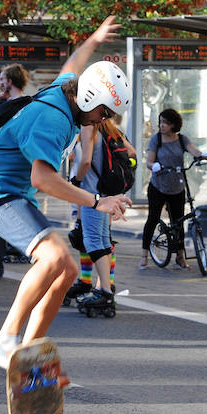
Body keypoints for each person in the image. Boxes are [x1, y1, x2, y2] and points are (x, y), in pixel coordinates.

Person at [0, 16, 132, 368]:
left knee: (68, 270)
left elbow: (73, 65)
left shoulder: (69, 90)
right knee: (53, 258)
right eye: (104, 111)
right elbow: (43, 179)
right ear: (90, 99)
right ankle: (5, 341)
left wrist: (95, 38)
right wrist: (97, 201)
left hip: (10, 191)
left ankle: (30, 349)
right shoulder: (53, 119)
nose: (104, 119)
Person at [71, 117, 137, 310]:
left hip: (92, 193)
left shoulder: (88, 126)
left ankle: (105, 293)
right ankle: (106, 287)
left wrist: (75, 182)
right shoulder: (111, 128)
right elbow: (132, 154)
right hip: (107, 192)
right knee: (103, 241)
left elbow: (86, 161)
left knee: (93, 241)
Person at [140, 108, 207, 270]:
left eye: (166, 123)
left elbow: (193, 150)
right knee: (153, 218)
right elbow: (149, 161)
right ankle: (144, 256)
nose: (162, 126)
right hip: (158, 185)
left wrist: (201, 155)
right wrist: (154, 165)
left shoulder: (182, 139)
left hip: (177, 186)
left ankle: (180, 257)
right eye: (161, 122)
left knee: (178, 222)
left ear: (174, 125)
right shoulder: (157, 140)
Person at [0, 63, 32, 279]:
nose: (0, 83)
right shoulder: (30, 104)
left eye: (2, 79)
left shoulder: (4, 105)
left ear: (9, 81)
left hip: (2, 163)